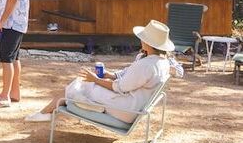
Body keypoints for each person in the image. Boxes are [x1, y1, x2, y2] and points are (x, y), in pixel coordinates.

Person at [24, 20, 174, 123]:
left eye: (143, 38)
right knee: (83, 85)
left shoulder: (146, 66)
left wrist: (95, 79)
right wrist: (110, 75)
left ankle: (47, 113)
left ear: (148, 42)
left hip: (125, 109)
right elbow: (127, 75)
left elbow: (119, 87)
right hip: (133, 104)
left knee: (79, 85)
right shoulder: (160, 62)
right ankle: (74, 105)